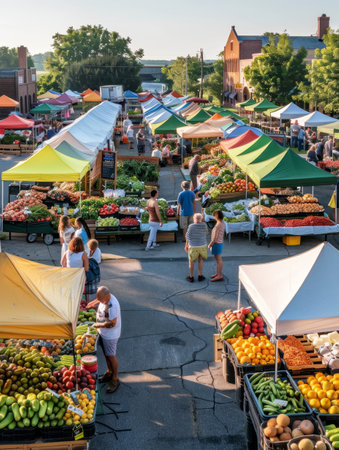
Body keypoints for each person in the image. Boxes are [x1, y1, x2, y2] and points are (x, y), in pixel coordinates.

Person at [93, 286, 121, 393]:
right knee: (107, 355)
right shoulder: (105, 298)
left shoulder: (112, 305)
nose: (99, 301)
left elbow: (112, 324)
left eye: (100, 299)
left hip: (110, 335)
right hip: (104, 334)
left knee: (111, 356)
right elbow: (100, 299)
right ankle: (109, 372)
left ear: (107, 296)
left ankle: (115, 379)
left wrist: (99, 325)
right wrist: (93, 303)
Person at [185, 213, 208, 283]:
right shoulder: (204, 225)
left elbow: (187, 237)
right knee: (200, 259)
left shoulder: (191, 226)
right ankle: (200, 276)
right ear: (201, 219)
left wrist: (186, 245)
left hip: (193, 246)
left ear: (194, 219)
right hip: (202, 245)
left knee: (191, 261)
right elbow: (206, 233)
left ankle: (191, 277)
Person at [208, 210, 225, 282]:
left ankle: (219, 275)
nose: (213, 217)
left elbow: (215, 238)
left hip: (217, 243)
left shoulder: (218, 225)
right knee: (218, 260)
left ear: (216, 216)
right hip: (219, 243)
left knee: (218, 260)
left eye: (214, 216)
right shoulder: (222, 222)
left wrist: (210, 244)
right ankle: (218, 273)